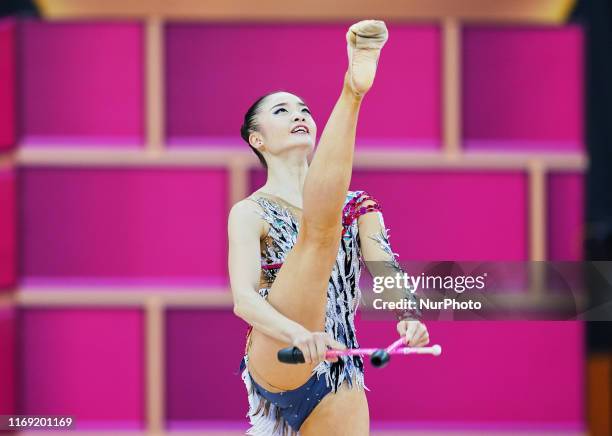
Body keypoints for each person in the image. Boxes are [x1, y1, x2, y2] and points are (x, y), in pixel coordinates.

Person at [228, 20, 429, 436]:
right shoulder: (250, 211)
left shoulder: (358, 205)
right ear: (257, 140)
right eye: (282, 111)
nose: (299, 115)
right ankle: (353, 91)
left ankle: (353, 91)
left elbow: (386, 268)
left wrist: (409, 314)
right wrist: (299, 334)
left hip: (338, 367)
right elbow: (244, 300)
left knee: (328, 220)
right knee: (319, 235)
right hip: (279, 350)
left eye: (304, 109)